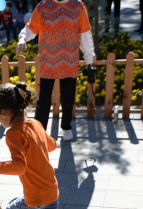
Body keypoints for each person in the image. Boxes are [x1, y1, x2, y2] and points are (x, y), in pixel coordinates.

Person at [16, 0, 95, 141]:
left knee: (68, 98)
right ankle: (39, 132)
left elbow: (84, 33)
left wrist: (89, 59)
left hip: (69, 60)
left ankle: (66, 127)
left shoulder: (77, 6)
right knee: (44, 99)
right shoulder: (43, 6)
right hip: (48, 61)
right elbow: (32, 27)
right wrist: (22, 38)